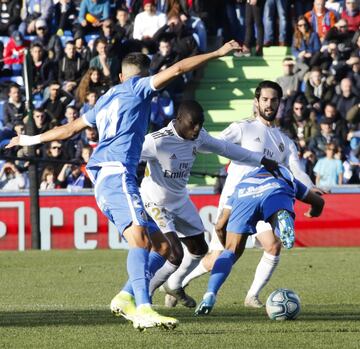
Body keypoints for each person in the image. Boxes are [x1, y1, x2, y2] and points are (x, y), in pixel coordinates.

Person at [6, 40, 244, 330]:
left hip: (110, 177)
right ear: (144, 76)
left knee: (164, 249)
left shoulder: (104, 100)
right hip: (116, 173)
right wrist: (218, 53)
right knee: (141, 240)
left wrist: (28, 140)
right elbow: (179, 67)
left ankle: (125, 296)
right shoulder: (139, 88)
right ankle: (143, 308)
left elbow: (68, 130)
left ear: (120, 76)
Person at [120, 100, 277, 308]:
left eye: (200, 124)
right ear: (178, 120)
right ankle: (143, 298)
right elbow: (126, 155)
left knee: (199, 248)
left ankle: (174, 284)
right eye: (192, 124)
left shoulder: (199, 136)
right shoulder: (156, 141)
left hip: (180, 200)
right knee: (174, 254)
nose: (196, 129)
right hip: (154, 201)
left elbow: (226, 149)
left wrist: (261, 159)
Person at [175, 80, 318, 309]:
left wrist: (310, 187)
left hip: (266, 198)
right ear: (256, 102)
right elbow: (212, 143)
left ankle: (251, 295)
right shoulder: (242, 128)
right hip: (236, 200)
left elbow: (296, 170)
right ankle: (178, 284)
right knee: (218, 257)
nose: (269, 104)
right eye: (265, 99)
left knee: (272, 245)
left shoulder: (285, 141)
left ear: (280, 104)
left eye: (274, 100)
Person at [194, 165, 325, 315]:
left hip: (244, 196)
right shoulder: (284, 173)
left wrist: (227, 248)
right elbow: (319, 203)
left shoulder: (243, 181)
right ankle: (280, 220)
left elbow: (219, 225)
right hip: (276, 189)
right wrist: (312, 213)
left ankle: (210, 294)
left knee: (230, 251)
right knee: (276, 225)